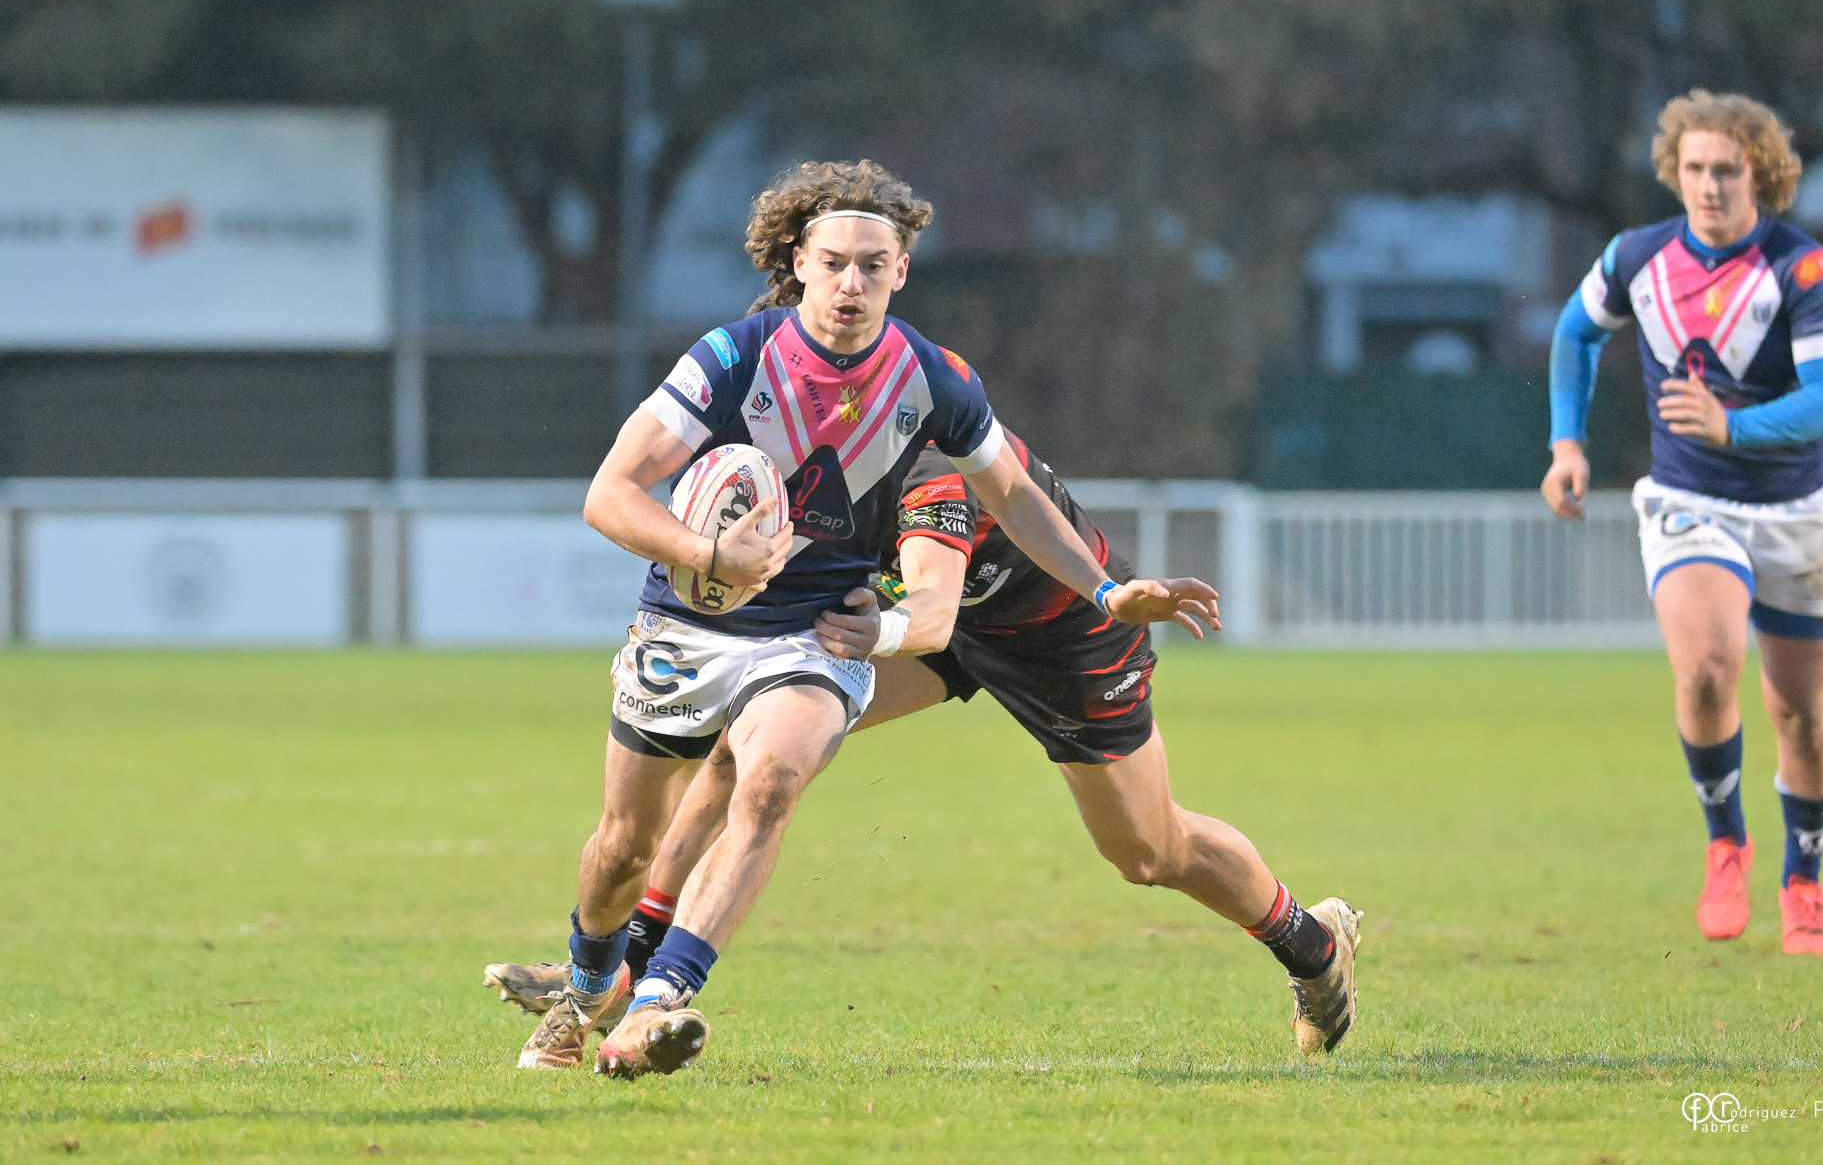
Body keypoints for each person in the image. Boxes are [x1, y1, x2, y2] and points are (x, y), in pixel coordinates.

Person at [516, 159, 1220, 1071]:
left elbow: (1013, 495)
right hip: (690, 625)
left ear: (901, 271)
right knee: (622, 848)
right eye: (835, 263)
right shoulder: (732, 358)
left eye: (872, 265)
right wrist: (710, 555)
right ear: (799, 264)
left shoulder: (931, 377)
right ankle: (583, 991)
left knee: (769, 784)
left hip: (813, 634)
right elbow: (609, 493)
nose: (852, 283)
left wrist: (1104, 590)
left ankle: (658, 999)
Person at [488, 429, 1360, 1076]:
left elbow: (933, 611)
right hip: (929, 626)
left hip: (1061, 635)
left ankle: (1315, 945)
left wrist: (875, 625)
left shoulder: (926, 460)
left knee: (1147, 849)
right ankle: (633, 969)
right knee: (737, 752)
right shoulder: (792, 449)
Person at [1540, 90, 1823, 955]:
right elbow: (1574, 334)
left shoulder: (1802, 269)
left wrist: (1735, 426)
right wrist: (1567, 444)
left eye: (1727, 170)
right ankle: (1727, 844)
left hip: (1797, 509)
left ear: (1761, 174)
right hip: (1690, 497)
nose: (1710, 186)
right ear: (1674, 173)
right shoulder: (1636, 256)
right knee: (1709, 668)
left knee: (1803, 714)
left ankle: (1804, 880)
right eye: (1695, 169)